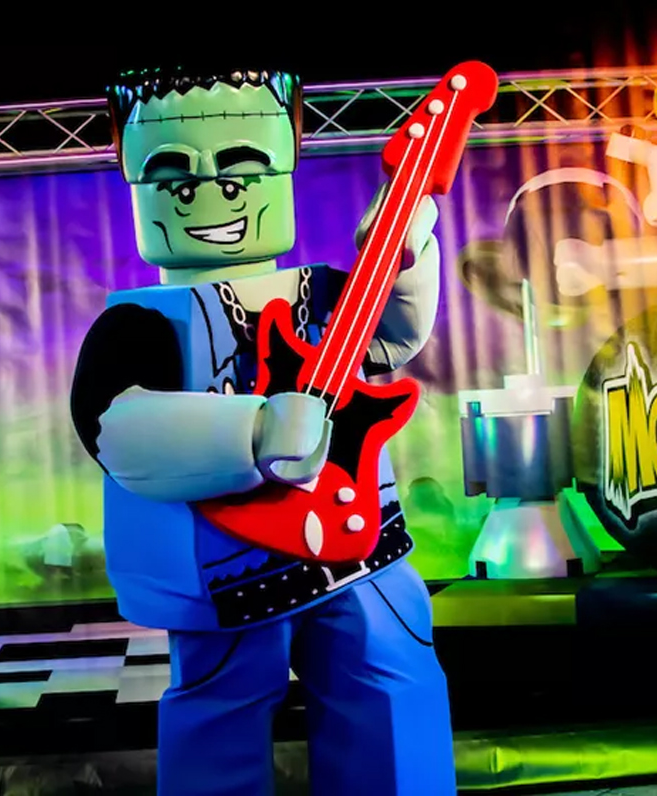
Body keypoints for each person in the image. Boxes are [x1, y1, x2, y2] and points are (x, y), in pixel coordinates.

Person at [69, 67, 455, 795]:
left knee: (394, 693)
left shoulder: (326, 294)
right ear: (128, 164)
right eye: (175, 176)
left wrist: (406, 253)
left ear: (290, 149)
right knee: (222, 718)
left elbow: (392, 337)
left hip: (363, 549)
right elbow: (117, 428)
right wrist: (251, 430)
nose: (214, 193)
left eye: (243, 168)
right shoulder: (139, 326)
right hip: (228, 573)